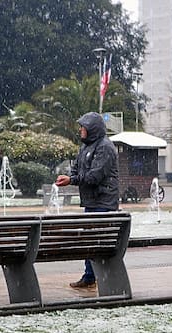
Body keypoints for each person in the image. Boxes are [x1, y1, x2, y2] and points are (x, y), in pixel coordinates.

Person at [55, 111, 120, 289]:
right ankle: (90, 276)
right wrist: (72, 177)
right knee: (91, 239)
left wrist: (72, 180)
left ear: (91, 128)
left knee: (97, 240)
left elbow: (94, 176)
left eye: (82, 127)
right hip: (91, 202)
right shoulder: (85, 147)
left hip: (103, 203)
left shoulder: (105, 147)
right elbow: (77, 169)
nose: (80, 130)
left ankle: (97, 276)